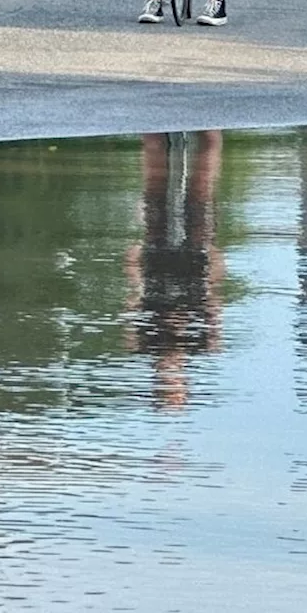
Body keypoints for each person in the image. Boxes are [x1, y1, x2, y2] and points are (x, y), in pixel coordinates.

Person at [123, 131, 227, 410]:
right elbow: (215, 302)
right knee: (201, 187)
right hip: (196, 262)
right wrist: (215, 258)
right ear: (184, 380)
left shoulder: (143, 344)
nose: (169, 375)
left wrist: (133, 264)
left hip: (155, 260)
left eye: (165, 385)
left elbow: (133, 303)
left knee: (155, 185)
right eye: (174, 384)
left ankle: (155, 129)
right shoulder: (203, 344)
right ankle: (208, 126)